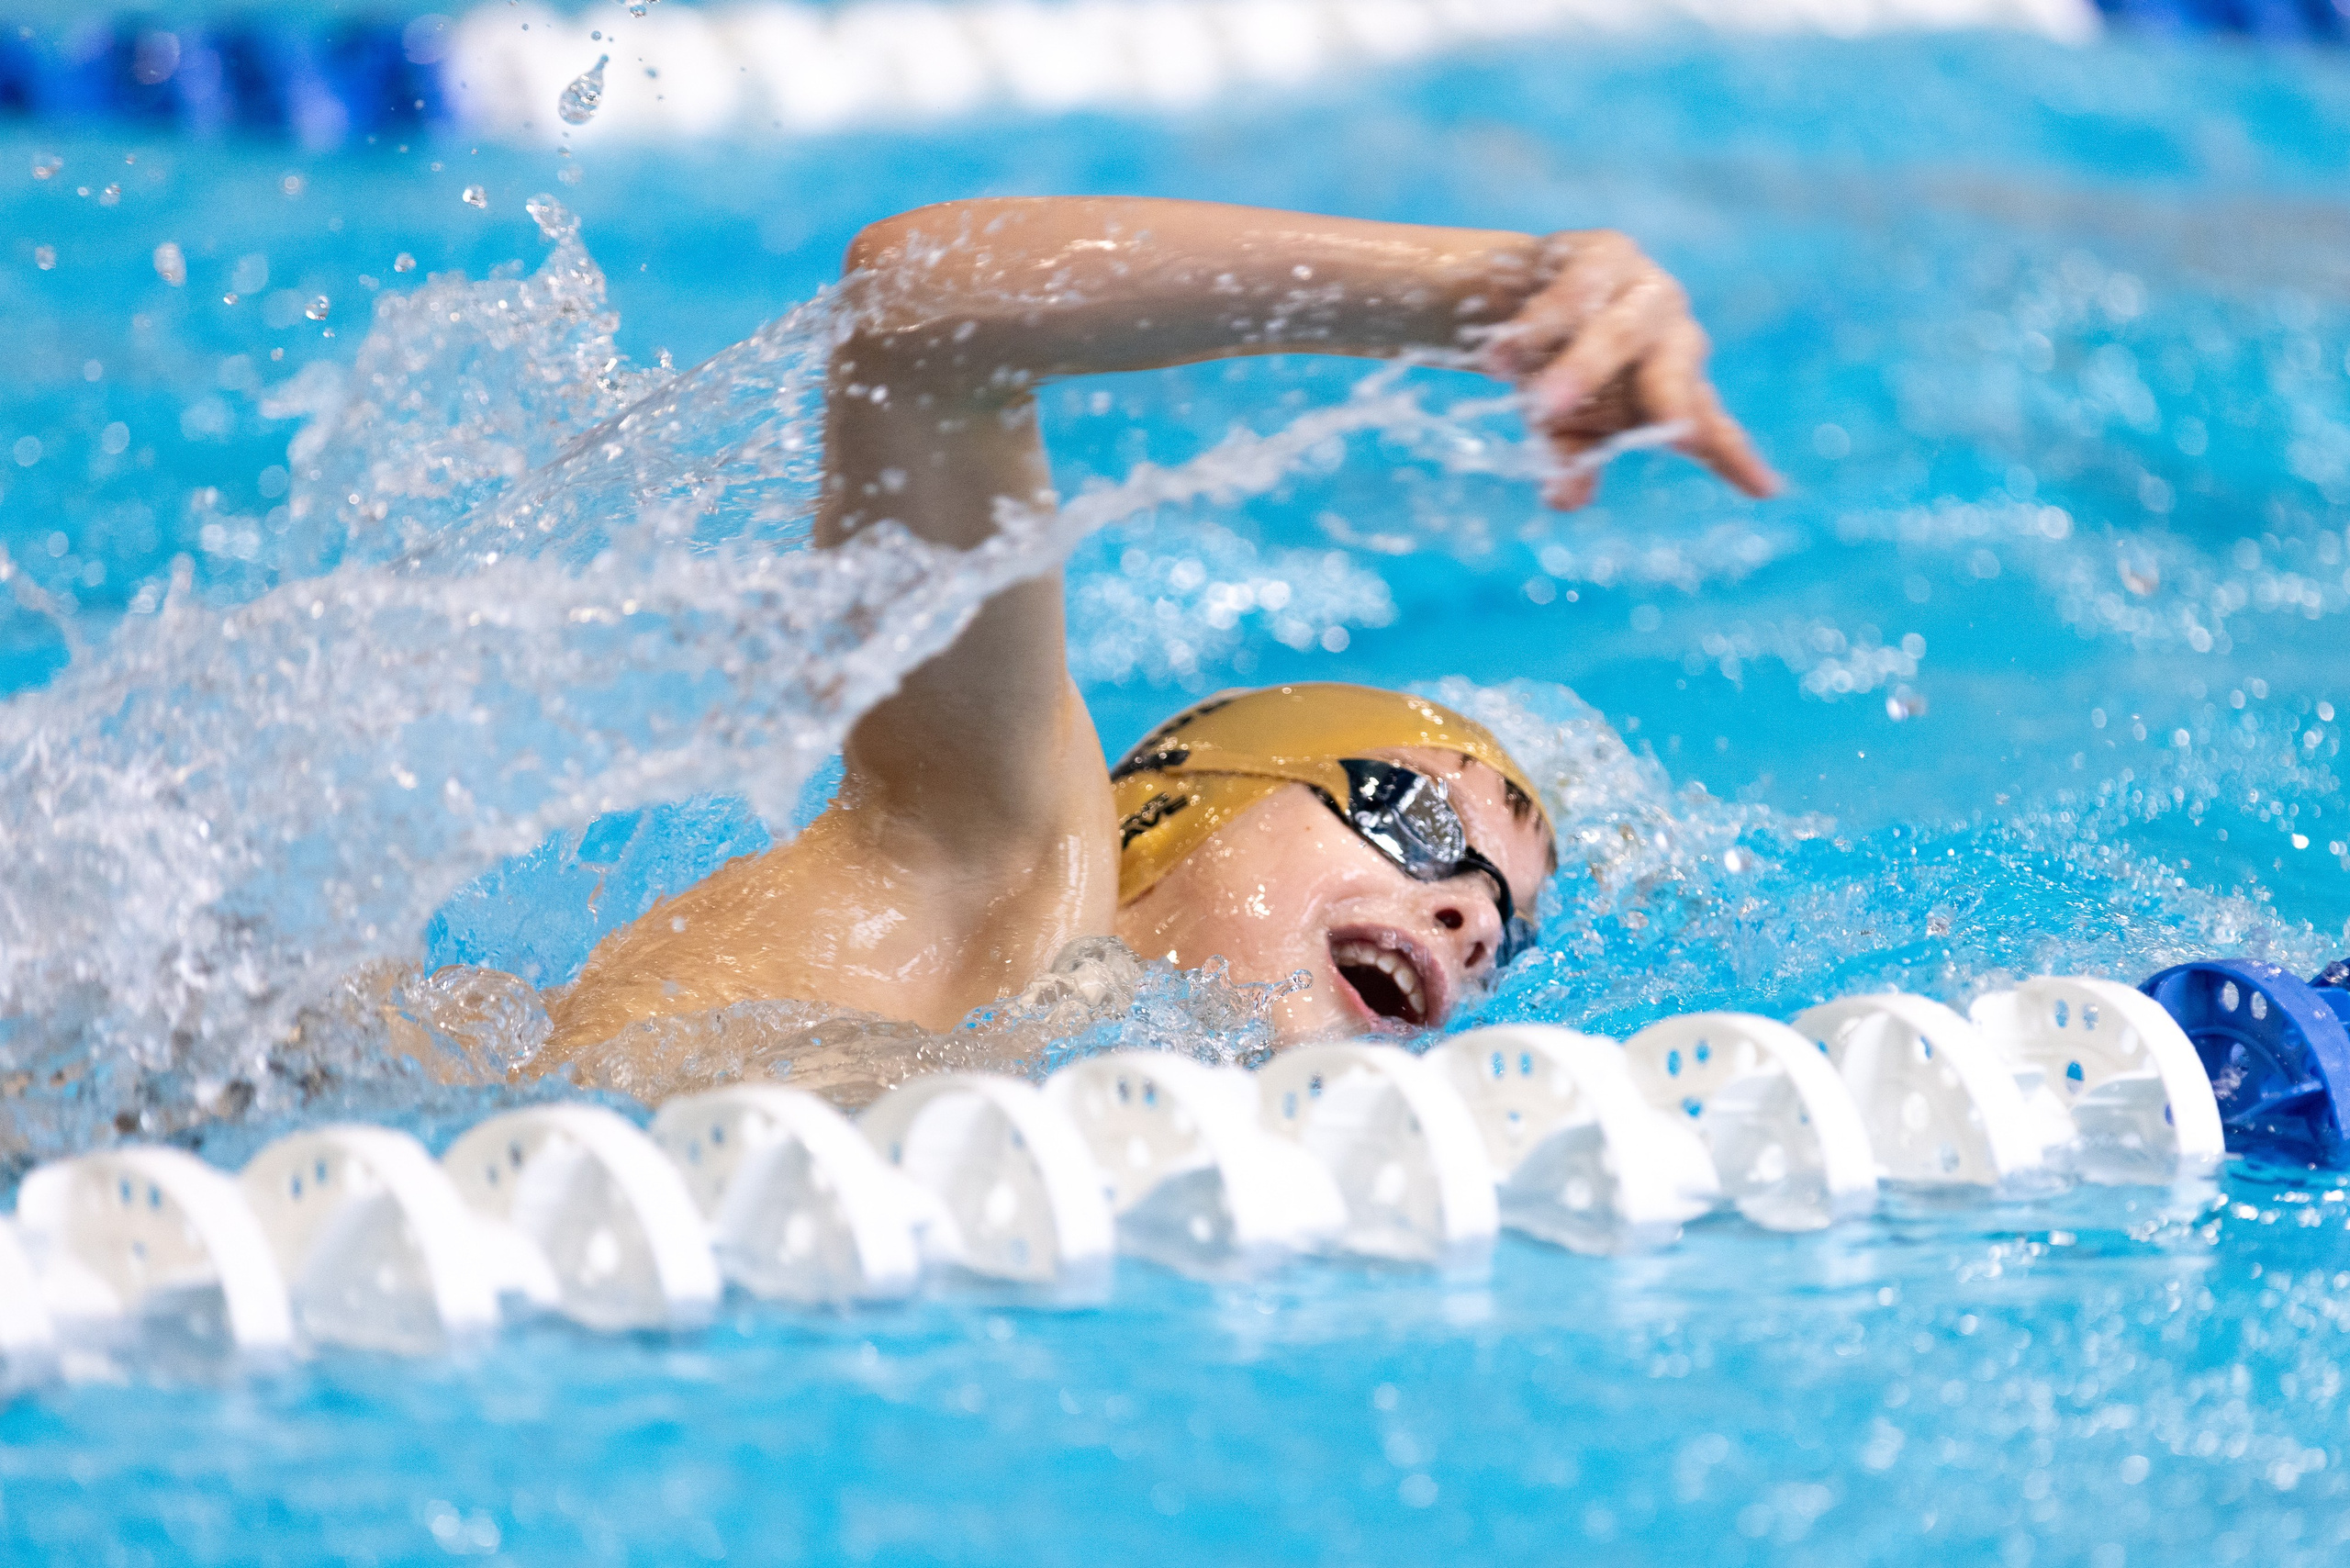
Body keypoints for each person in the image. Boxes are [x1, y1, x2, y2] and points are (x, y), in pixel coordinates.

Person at [539, 197, 1775, 1070]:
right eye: (1419, 823)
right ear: (1181, 800)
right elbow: (924, 319)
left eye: (1500, 927)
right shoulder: (999, 865)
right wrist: (1490, 295)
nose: (1466, 917)